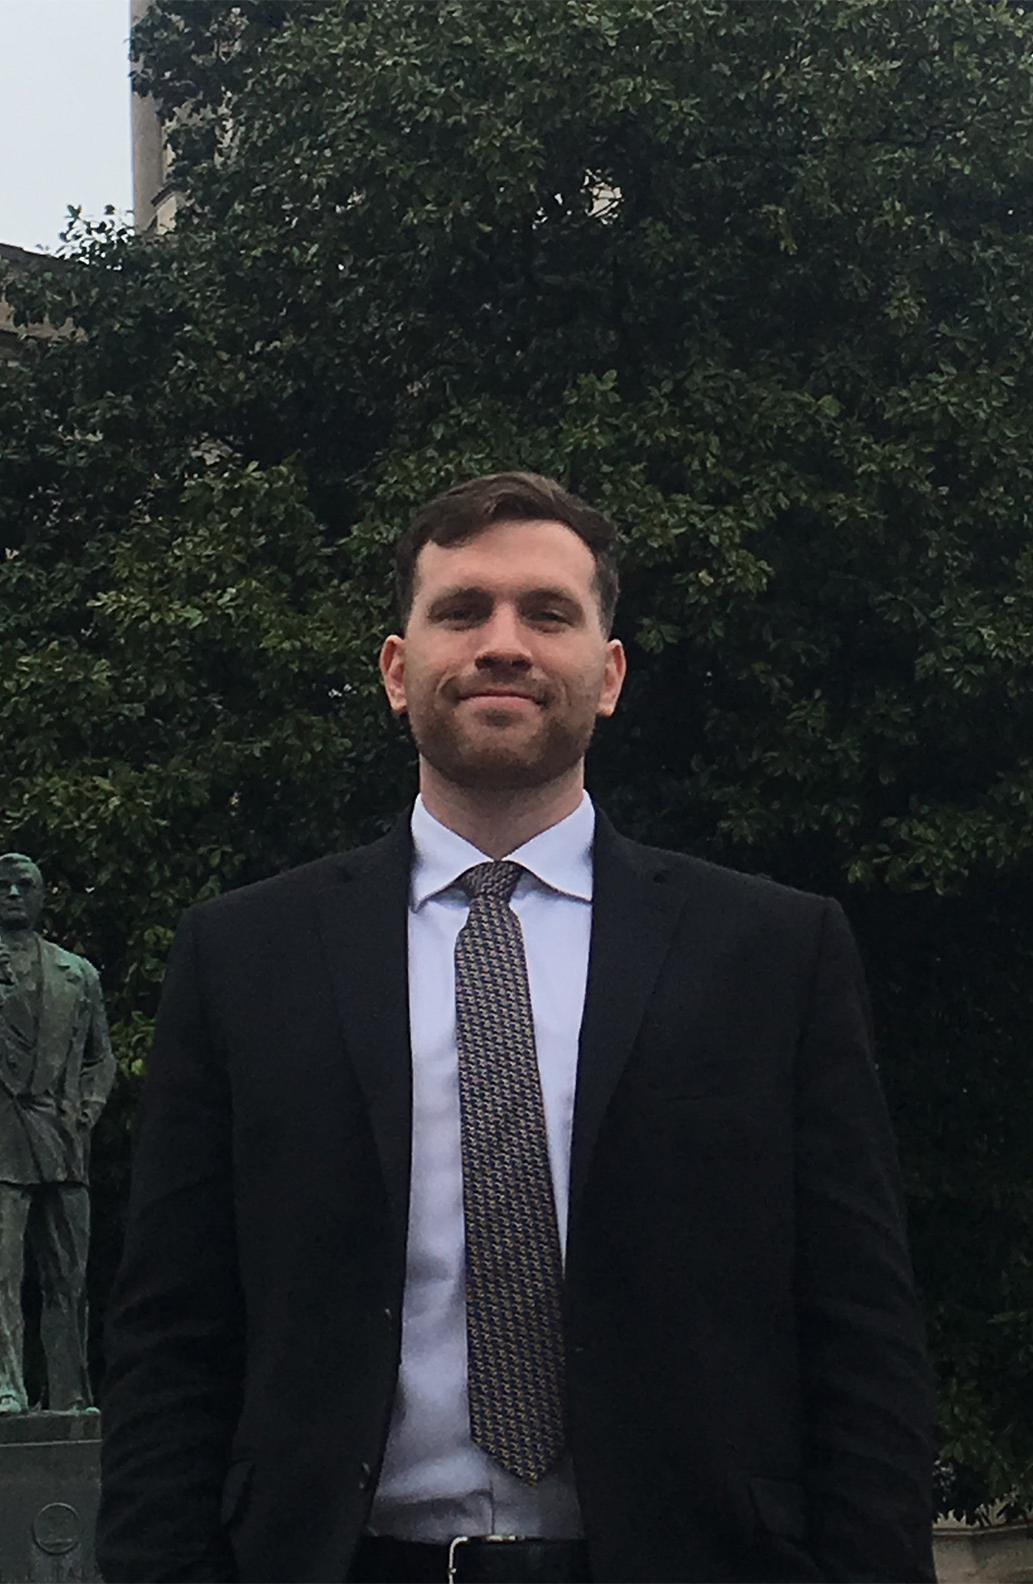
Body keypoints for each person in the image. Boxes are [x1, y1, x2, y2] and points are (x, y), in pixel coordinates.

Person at [97, 473, 935, 1582]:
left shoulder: (774, 956)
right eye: (460, 611)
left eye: (547, 613)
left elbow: (861, 1330)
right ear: (398, 673)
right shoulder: (243, 960)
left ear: (610, 673)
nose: (503, 644)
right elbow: (171, 1337)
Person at [0, 852, 115, 1417]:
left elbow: (100, 1058)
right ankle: (5, 1389)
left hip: (61, 1136)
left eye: (25, 885)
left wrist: (86, 1111)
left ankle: (68, 1391)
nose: (14, 894)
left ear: (41, 896)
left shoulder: (78, 973)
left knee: (68, 1278)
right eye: (2, 886)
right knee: (0, 1276)